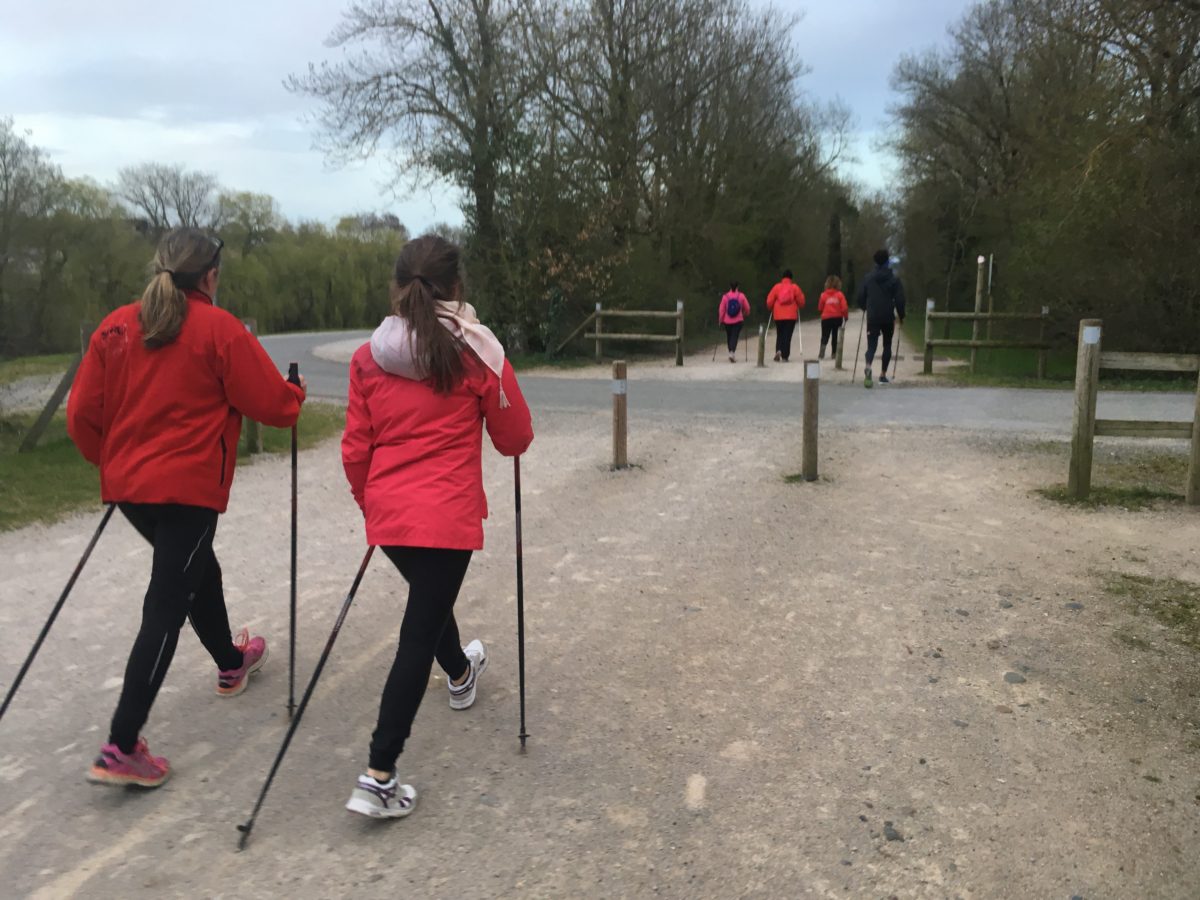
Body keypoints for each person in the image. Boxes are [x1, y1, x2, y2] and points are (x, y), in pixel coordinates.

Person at [67, 227, 307, 788]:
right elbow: (272, 405)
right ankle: (122, 746)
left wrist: (113, 461)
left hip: (131, 490)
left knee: (199, 570)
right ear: (212, 276)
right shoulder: (219, 329)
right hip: (188, 491)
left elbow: (81, 413)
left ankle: (231, 660)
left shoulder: (117, 325)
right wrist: (294, 395)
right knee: (166, 605)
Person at [341, 234, 533, 819]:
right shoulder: (475, 351)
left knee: (431, 604)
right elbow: (515, 438)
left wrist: (372, 506)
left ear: (398, 286)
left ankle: (460, 672)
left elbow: (356, 450)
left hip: (391, 516)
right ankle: (378, 775)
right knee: (417, 631)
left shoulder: (367, 357)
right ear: (457, 287)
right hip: (446, 516)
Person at [856, 249, 907, 387]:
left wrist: (864, 307)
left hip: (873, 316)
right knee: (887, 344)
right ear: (887, 261)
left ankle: (868, 366)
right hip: (887, 316)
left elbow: (860, 296)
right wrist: (901, 315)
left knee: (871, 344)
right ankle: (883, 375)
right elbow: (900, 299)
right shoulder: (894, 279)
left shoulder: (868, 278)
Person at [766, 269, 805, 361]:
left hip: (778, 315)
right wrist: (799, 305)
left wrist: (770, 307)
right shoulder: (795, 287)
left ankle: (778, 350)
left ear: (782, 277)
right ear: (791, 278)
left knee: (780, 333)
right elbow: (801, 301)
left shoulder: (776, 287)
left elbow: (769, 301)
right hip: (791, 315)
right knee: (787, 335)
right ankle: (785, 355)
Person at [817, 275, 850, 360]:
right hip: (837, 318)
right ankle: (834, 353)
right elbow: (844, 307)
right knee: (835, 336)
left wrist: (823, 312)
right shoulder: (840, 295)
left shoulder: (823, 295)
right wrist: (845, 316)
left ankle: (822, 352)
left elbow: (820, 307)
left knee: (825, 335)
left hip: (826, 318)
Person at [717, 281, 751, 362]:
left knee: (729, 336)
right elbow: (748, 308)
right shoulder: (741, 296)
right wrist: (745, 314)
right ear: (737, 287)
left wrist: (720, 320)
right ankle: (732, 352)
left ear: (730, 286)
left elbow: (721, 309)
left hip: (727, 321)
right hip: (738, 320)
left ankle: (730, 352)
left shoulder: (725, 297)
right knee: (734, 336)